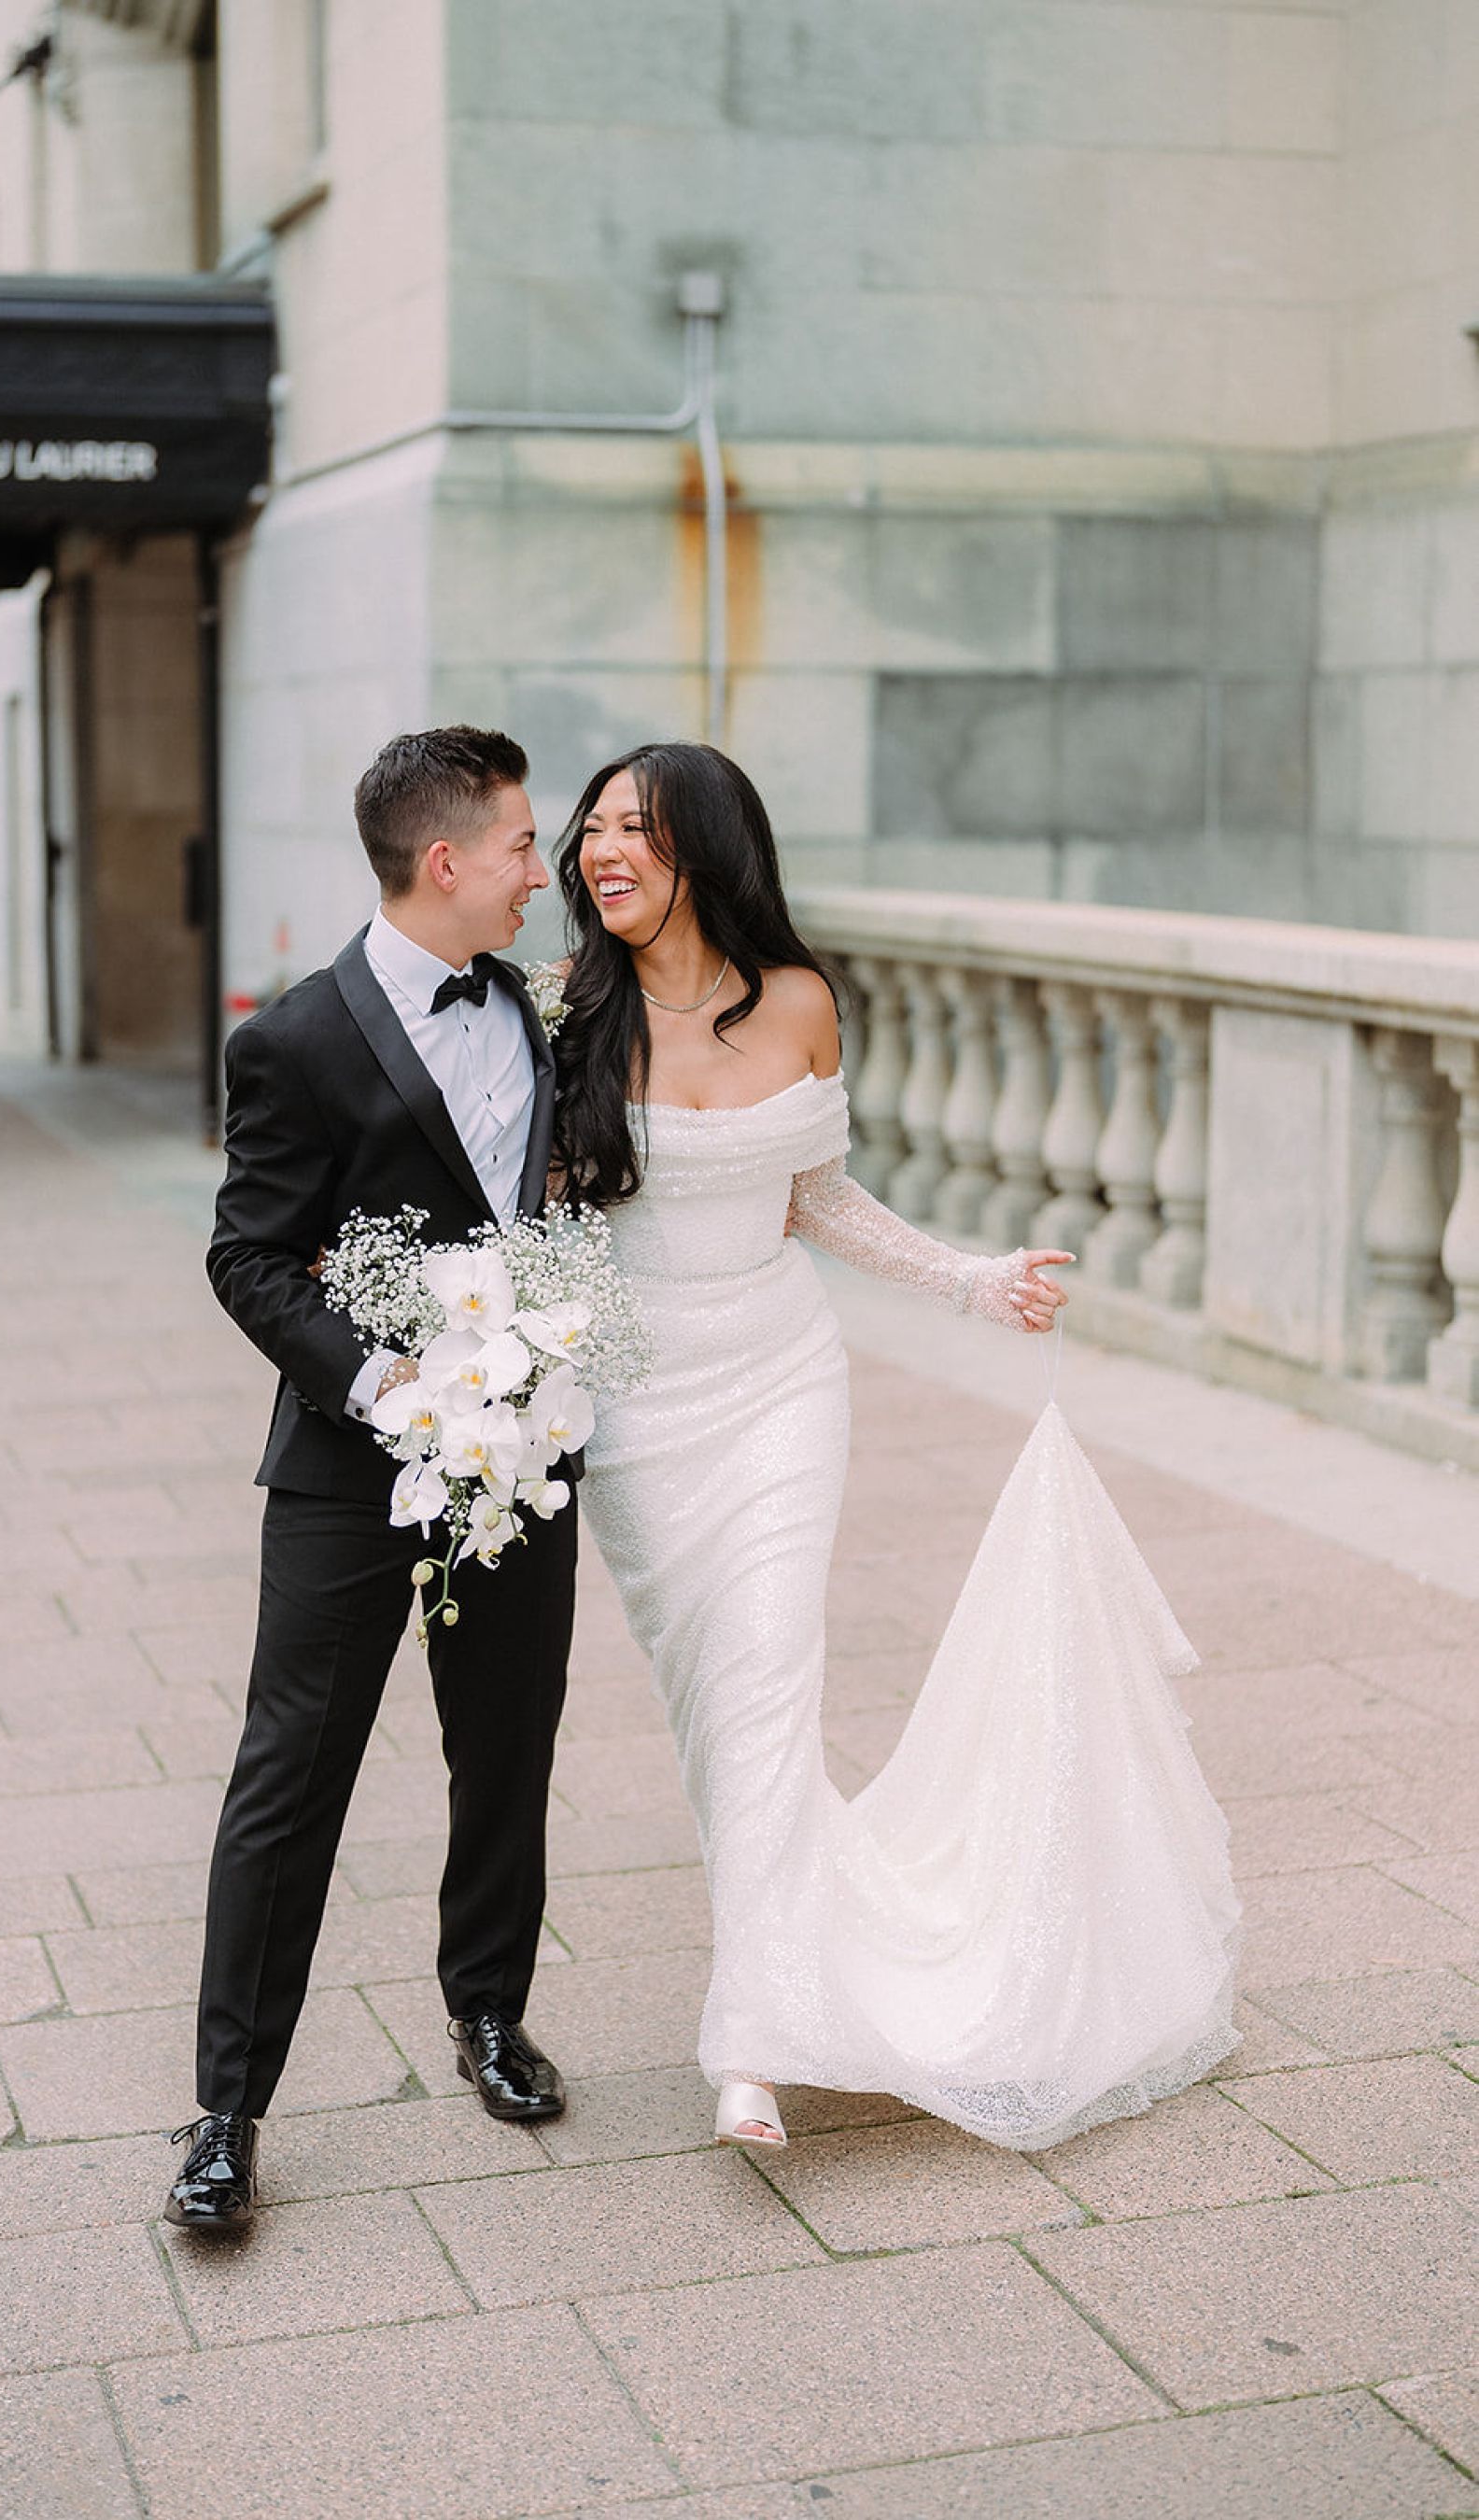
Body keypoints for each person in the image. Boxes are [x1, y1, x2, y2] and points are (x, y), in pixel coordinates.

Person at [553, 741, 1241, 2152]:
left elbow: (818, 1198)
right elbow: (526, 1210)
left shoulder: (801, 1001)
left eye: (636, 828)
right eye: (592, 827)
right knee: (714, 1709)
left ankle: (756, 2036)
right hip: (636, 1410)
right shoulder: (566, 1008)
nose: (600, 851)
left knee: (768, 1679)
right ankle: (801, 1956)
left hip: (781, 1383)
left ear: (707, 849)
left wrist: (970, 1281)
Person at [166, 727, 577, 2231]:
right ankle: (226, 2113)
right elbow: (248, 1257)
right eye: (524, 845)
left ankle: (489, 2013)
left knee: (507, 1747)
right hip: (350, 1471)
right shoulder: (293, 1040)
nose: (542, 872)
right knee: (291, 1777)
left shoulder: (539, 1010)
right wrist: (380, 1381)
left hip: (521, 1459)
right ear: (445, 860)